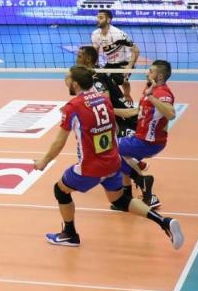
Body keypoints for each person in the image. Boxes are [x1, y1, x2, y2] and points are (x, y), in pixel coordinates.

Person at [33, 66, 183, 250]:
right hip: (112, 163)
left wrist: (43, 162)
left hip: (91, 167)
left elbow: (58, 143)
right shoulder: (103, 99)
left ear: (75, 83)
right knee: (119, 200)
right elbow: (114, 128)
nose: (65, 80)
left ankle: (70, 235)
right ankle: (164, 222)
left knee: (60, 190)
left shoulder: (73, 107)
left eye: (67, 78)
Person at [113, 61, 176, 210]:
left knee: (110, 148)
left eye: (151, 71)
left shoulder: (162, 93)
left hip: (148, 142)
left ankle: (142, 180)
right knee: (123, 158)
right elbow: (134, 112)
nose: (147, 73)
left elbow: (171, 114)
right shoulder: (150, 90)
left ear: (159, 76)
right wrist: (110, 109)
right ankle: (145, 196)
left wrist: (152, 97)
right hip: (141, 139)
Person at [76, 46, 135, 136]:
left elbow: (105, 98)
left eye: (79, 56)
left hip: (122, 118)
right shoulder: (103, 69)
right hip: (127, 111)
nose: (76, 60)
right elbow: (126, 83)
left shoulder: (94, 76)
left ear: (88, 59)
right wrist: (127, 95)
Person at [91, 9, 139, 103]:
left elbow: (136, 51)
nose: (97, 19)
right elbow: (95, 52)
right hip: (110, 63)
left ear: (108, 20)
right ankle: (109, 99)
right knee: (100, 78)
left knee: (118, 80)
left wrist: (129, 67)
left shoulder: (119, 34)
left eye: (101, 18)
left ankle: (126, 96)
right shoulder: (95, 34)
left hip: (125, 62)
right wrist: (95, 66)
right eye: (97, 17)